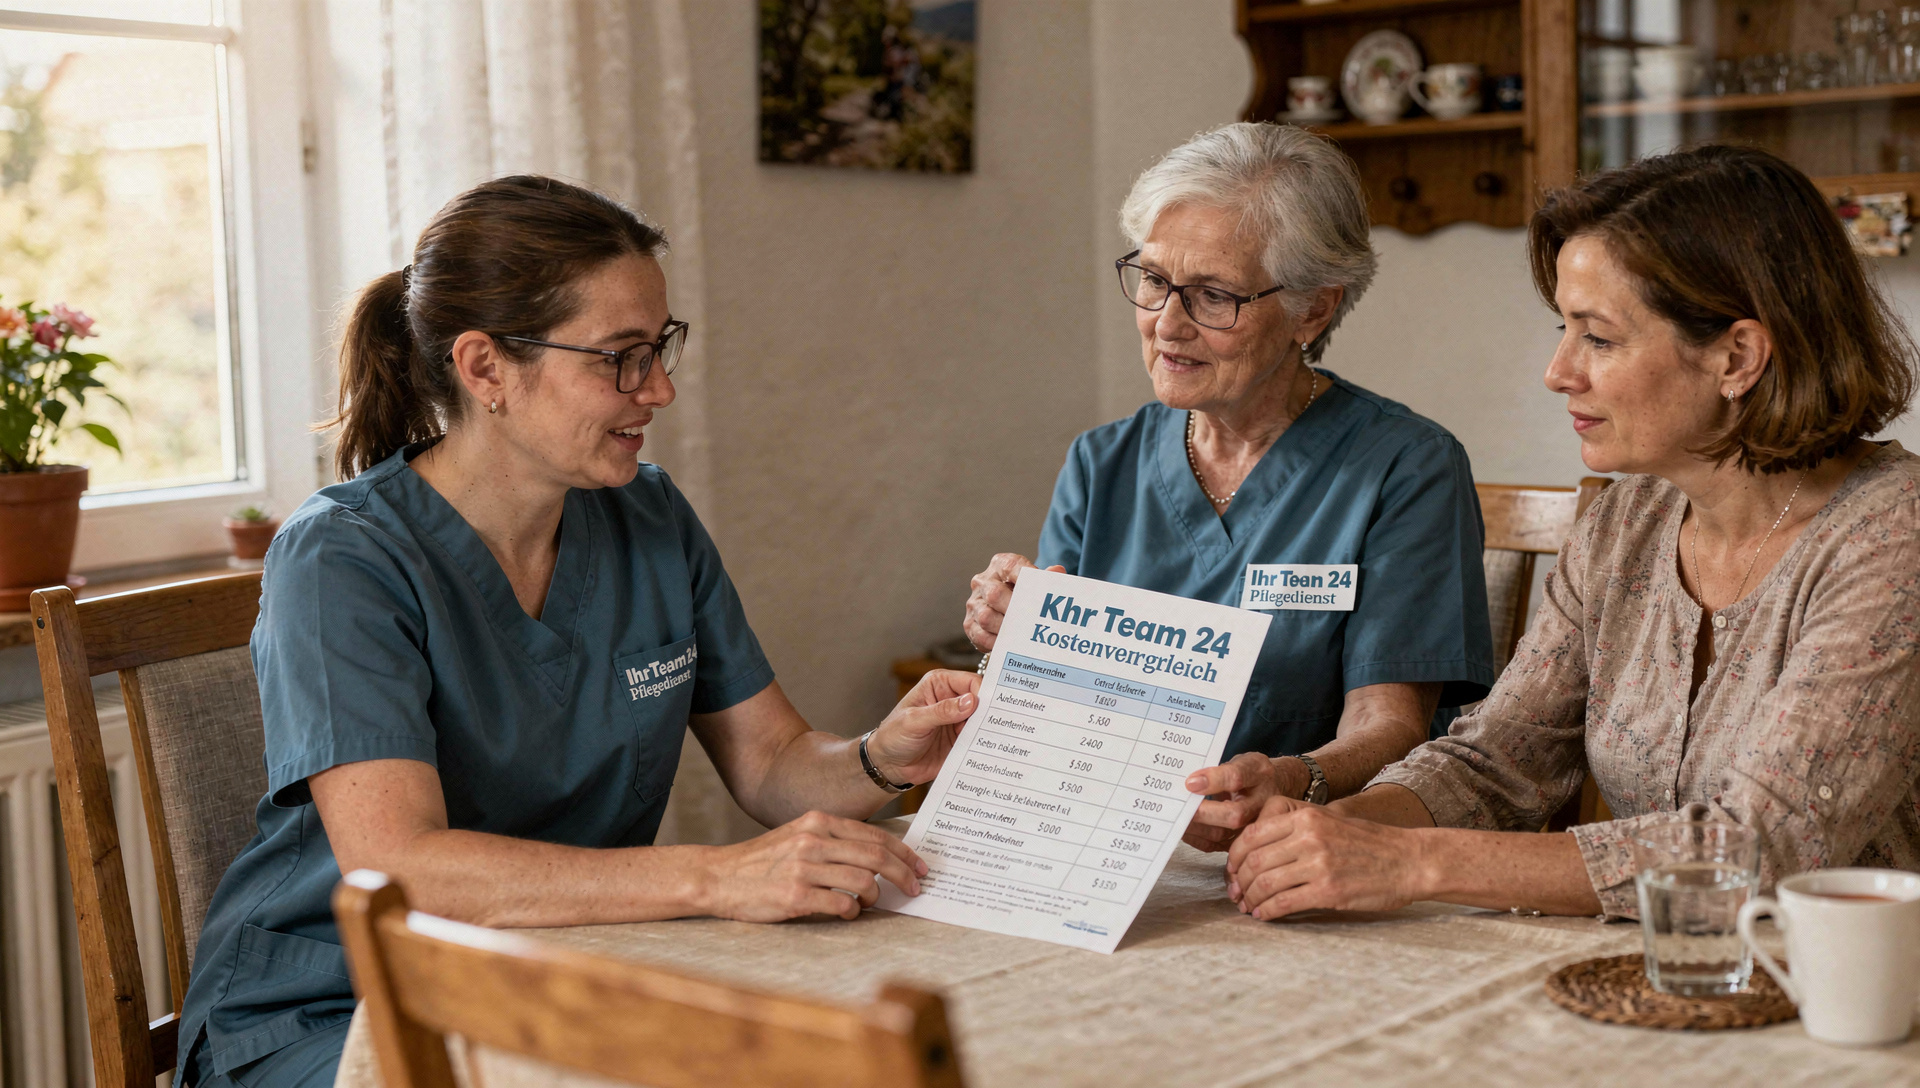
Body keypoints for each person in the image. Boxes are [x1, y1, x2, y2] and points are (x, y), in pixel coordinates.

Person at [175, 176, 978, 1088]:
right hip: (335, 1014)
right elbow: (403, 870)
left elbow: (772, 763)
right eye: (621, 357)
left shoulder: (650, 516)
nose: (661, 388)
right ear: (484, 370)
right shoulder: (340, 559)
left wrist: (883, 757)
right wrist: (716, 879)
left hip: (562, 978)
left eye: (661, 347)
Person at [1226, 145, 1920, 921]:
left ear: (1739, 356)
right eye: (1565, 328)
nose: (1559, 371)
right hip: (1653, 979)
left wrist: (1408, 861)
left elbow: (1757, 848)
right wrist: (1321, 831)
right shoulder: (1626, 522)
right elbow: (1495, 764)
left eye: (1597, 336)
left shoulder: (1895, 538)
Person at [963, 123, 1494, 851]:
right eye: (1153, 280)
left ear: (1314, 308)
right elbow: (1058, 710)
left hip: (1300, 849)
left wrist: (1287, 780)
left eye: (1213, 296)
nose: (1167, 325)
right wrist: (1015, 638)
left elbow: (1389, 726)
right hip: (1104, 846)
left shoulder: (1405, 466)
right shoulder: (1101, 461)